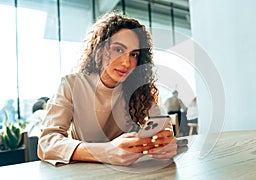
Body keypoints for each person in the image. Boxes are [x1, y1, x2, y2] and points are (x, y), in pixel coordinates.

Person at [38, 12, 177, 166]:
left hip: (129, 176)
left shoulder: (140, 90)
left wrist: (166, 143)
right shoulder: (71, 84)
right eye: (118, 50)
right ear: (100, 50)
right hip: (81, 174)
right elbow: (46, 143)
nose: (126, 63)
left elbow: (161, 126)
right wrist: (105, 152)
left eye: (134, 54)